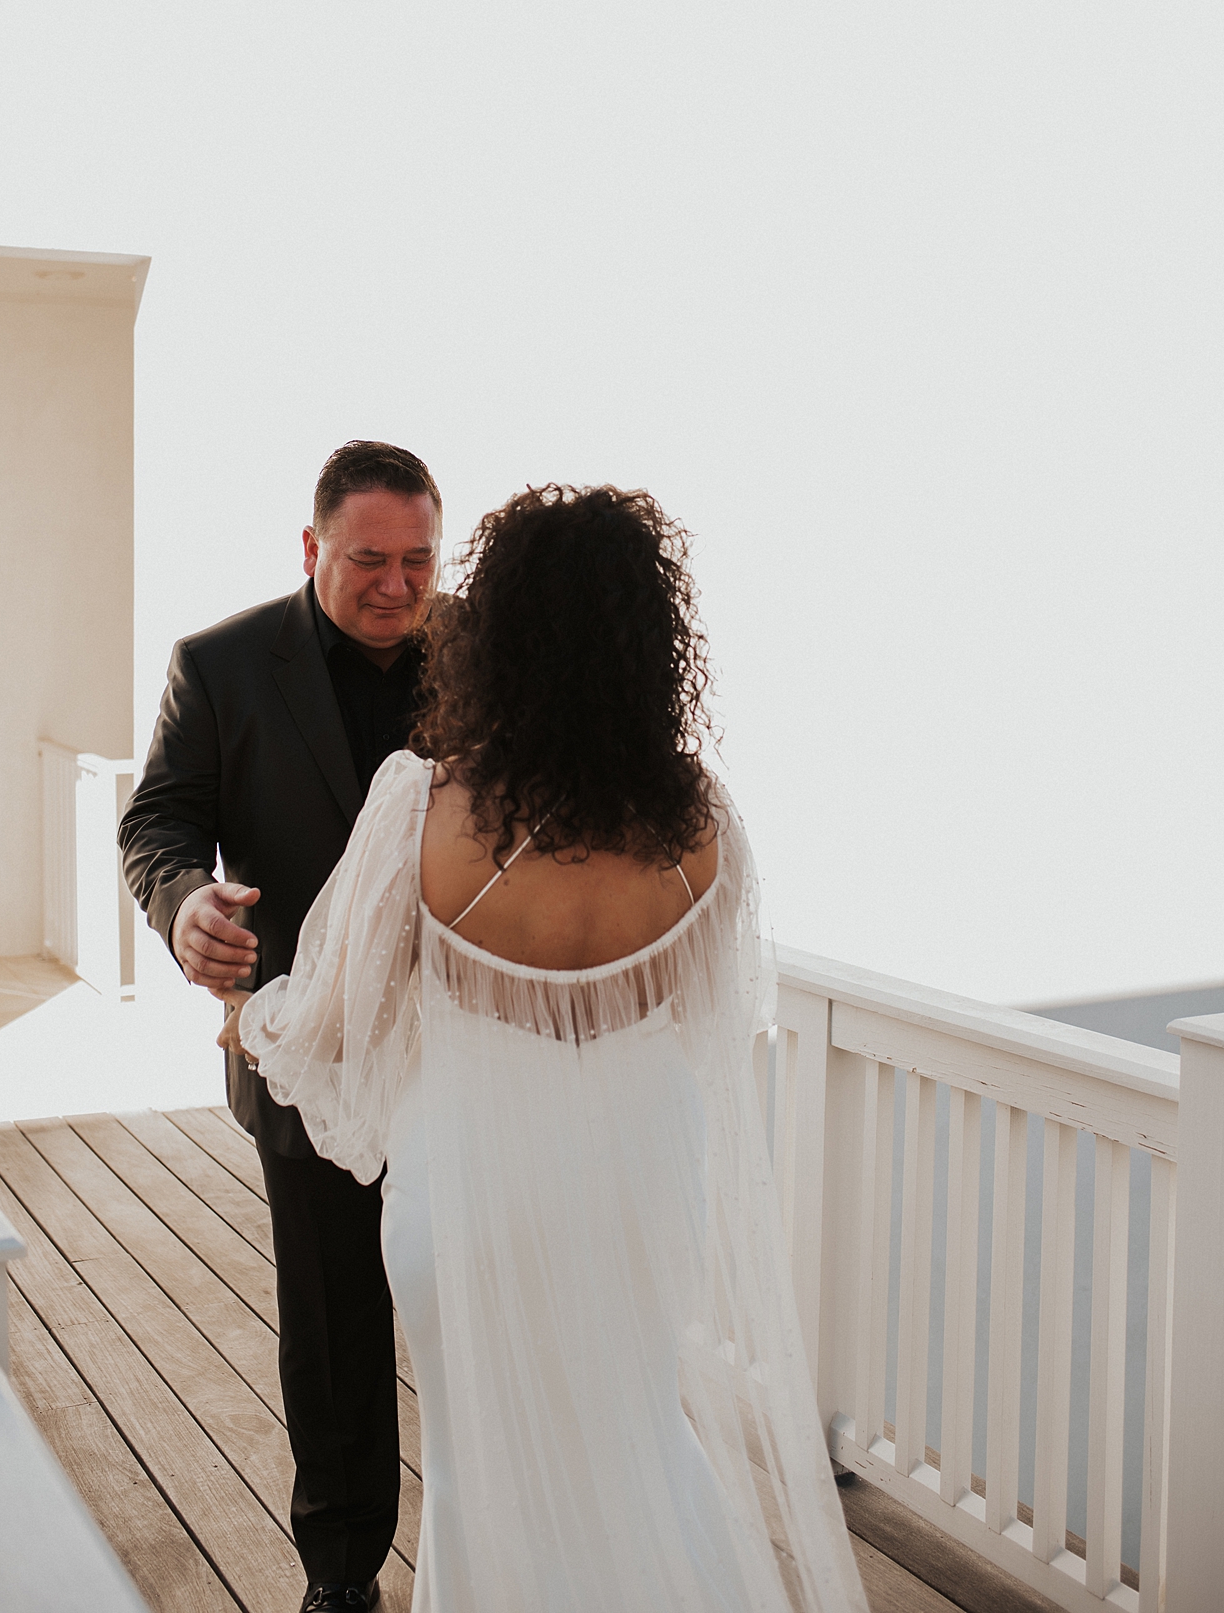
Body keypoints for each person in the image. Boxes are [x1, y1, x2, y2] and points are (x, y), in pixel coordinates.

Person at [235, 485, 870, 1612]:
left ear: (497, 634)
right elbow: (704, 1010)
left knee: (486, 1467)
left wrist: (252, 1007)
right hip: (635, 1168)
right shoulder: (702, 821)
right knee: (630, 1433)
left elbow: (331, 1023)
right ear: (650, 641)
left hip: (475, 1177)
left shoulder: (420, 804)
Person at [119, 440, 443, 1613]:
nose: (399, 586)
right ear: (312, 548)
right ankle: (342, 1574)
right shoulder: (219, 663)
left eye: (419, 559)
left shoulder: (486, 661)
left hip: (465, 1056)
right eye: (370, 559)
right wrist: (183, 902)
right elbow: (156, 823)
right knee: (335, 1326)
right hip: (307, 1053)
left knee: (476, 1307)